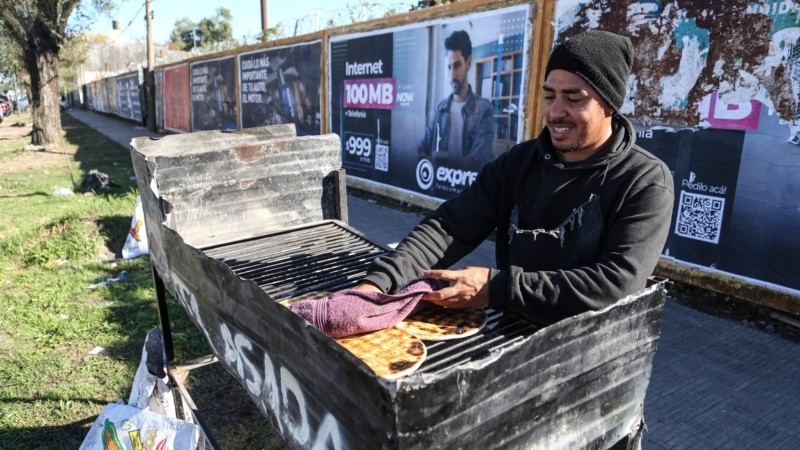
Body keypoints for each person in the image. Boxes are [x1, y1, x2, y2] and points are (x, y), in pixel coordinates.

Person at [354, 30, 674, 325]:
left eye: (573, 99)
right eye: (549, 96)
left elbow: (617, 284)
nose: (555, 111)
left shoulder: (644, 180)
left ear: (610, 104)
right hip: (513, 335)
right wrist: (377, 284)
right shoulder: (518, 163)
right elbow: (450, 226)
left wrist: (497, 288)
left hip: (591, 357)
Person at [418, 30, 494, 169]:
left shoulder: (484, 109)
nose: (452, 75)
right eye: (449, 67)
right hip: (438, 187)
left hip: (467, 188)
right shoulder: (440, 108)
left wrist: (439, 165)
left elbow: (479, 159)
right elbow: (423, 145)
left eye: (457, 66)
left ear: (468, 62)